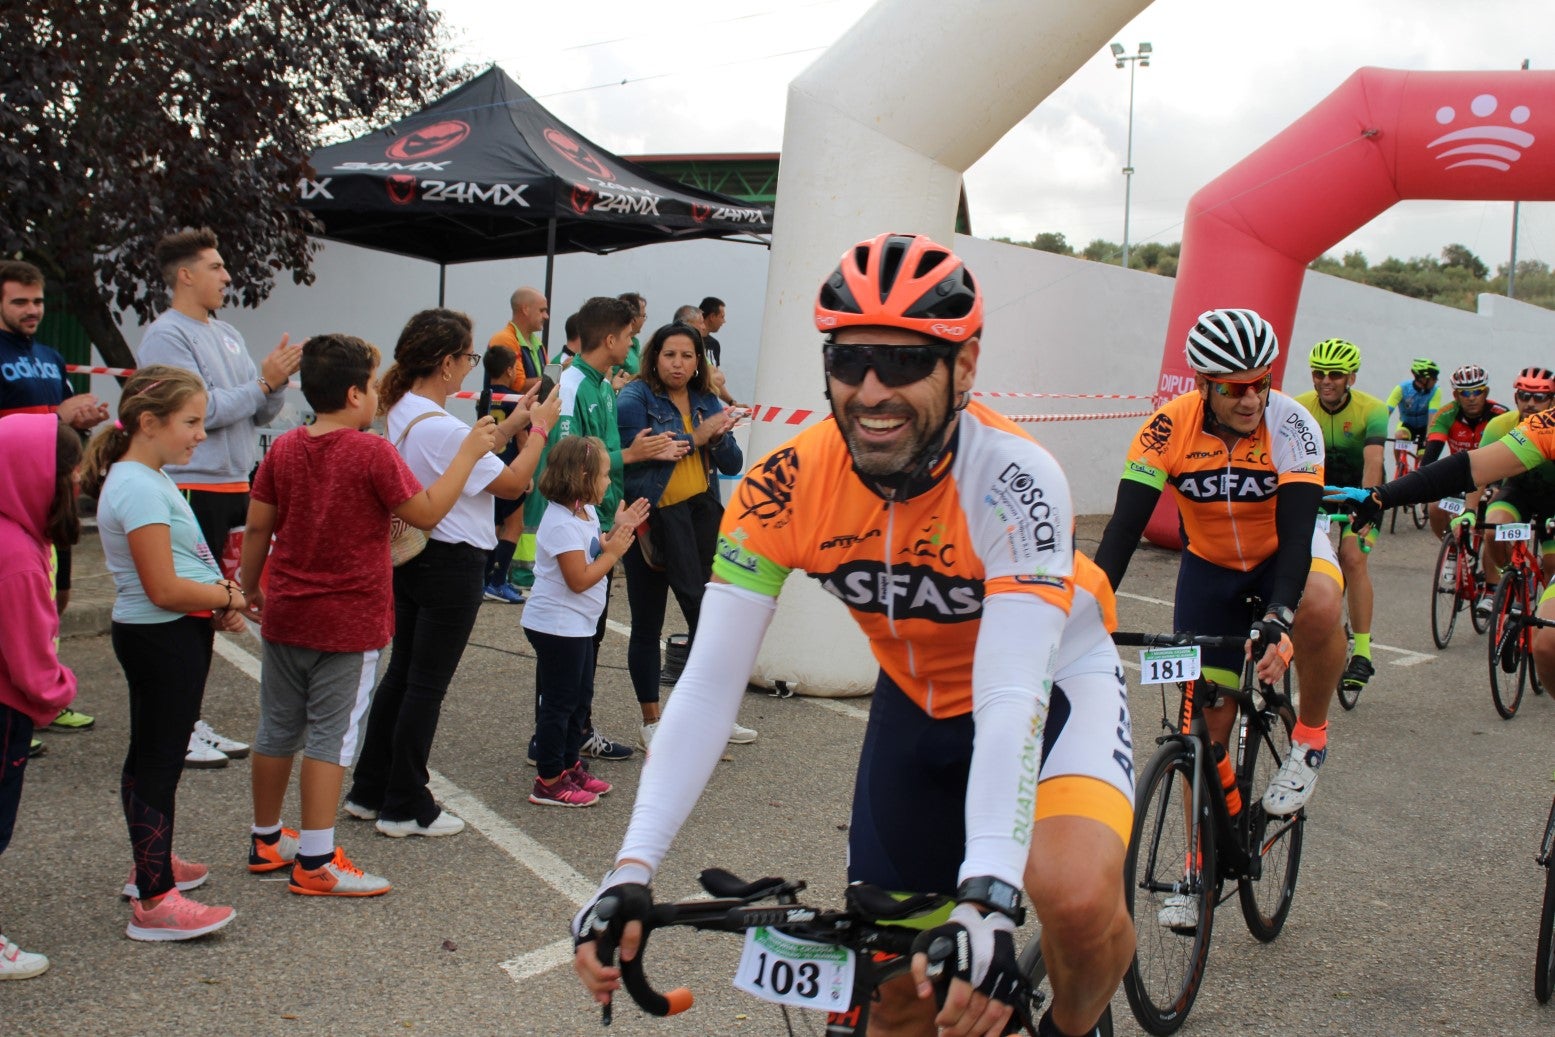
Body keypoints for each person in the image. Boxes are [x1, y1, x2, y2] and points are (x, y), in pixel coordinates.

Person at [575, 234, 1136, 1037]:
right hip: (916, 701)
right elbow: (706, 683)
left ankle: (1076, 1024)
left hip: (1051, 687)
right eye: (849, 358)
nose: (871, 389)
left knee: (1075, 899)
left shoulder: (1015, 478)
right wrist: (628, 867)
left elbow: (1011, 693)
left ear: (964, 365)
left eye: (904, 362)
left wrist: (985, 890)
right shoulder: (785, 483)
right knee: (894, 987)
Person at [239, 334, 498, 895]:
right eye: (376, 384)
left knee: (278, 727)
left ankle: (266, 840)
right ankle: (316, 860)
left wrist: (249, 585)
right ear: (357, 393)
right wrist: (468, 456)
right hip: (349, 619)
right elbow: (426, 513)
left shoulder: (284, 448)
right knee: (331, 738)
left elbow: (259, 525)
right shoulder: (372, 451)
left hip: (287, 610)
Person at [1094, 308, 1347, 834]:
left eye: (1260, 383)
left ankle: (1310, 740)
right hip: (1210, 568)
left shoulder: (1292, 424)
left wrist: (1280, 613)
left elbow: (1299, 534)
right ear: (1202, 385)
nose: (1251, 398)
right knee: (1204, 725)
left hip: (1284, 553)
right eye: (1233, 390)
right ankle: (1197, 869)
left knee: (1320, 604)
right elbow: (1123, 529)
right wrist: (1091, 606)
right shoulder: (1166, 428)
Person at [343, 309, 559, 838]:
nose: (470, 367)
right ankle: (405, 802)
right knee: (426, 686)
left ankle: (371, 789)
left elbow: (465, 459)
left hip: (418, 555)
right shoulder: (440, 426)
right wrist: (539, 435)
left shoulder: (405, 409)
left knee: (403, 676)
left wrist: (511, 424)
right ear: (445, 363)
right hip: (454, 560)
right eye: (467, 358)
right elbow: (509, 485)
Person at [82, 365, 242, 941]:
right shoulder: (138, 485)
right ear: (148, 423)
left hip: (170, 631)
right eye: (191, 422)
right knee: (157, 760)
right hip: (162, 633)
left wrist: (215, 599)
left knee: (156, 754)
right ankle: (154, 901)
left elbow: (183, 565)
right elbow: (164, 587)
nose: (201, 433)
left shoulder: (148, 474)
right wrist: (227, 595)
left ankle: (152, 861)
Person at [137, 227, 302, 768]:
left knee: (217, 604)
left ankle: (189, 717)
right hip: (195, 484)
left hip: (234, 483)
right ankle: (176, 722)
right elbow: (197, 412)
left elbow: (255, 413)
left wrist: (272, 386)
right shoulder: (168, 335)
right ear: (185, 275)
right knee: (191, 607)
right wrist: (260, 384)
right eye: (216, 267)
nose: (227, 277)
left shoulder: (227, 332)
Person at [531, 296, 686, 764]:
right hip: (578, 530)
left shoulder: (601, 384)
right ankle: (552, 742)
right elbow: (565, 463)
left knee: (587, 640)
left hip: (599, 525)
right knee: (567, 645)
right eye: (631, 336)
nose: (635, 344)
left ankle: (576, 730)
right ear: (613, 339)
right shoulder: (574, 384)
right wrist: (632, 457)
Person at [1329, 391, 1555, 693]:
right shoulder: (1547, 426)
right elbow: (1469, 468)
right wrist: (1384, 495)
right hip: (1525, 496)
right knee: (1546, 646)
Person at [617, 322, 745, 747]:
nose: (678, 363)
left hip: (700, 516)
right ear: (654, 357)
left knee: (709, 618)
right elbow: (636, 462)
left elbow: (730, 463)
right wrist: (699, 436)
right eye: (670, 354)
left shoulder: (706, 398)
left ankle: (715, 715)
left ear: (698, 362)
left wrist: (720, 436)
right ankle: (651, 721)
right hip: (653, 518)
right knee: (647, 622)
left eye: (687, 356)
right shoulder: (636, 397)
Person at [0, 261, 108, 742]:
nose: (32, 310)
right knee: (18, 597)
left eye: (37, 301)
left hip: (51, 500)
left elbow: (57, 428)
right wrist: (53, 414)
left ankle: (39, 689)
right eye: (19, 302)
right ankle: (19, 700)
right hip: (12, 498)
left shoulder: (50, 355)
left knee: (55, 595)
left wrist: (81, 419)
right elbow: (20, 434)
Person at [0, 415, 83, 976]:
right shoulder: (19, 559)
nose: (76, 483)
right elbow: (32, 667)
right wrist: (63, 689)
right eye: (70, 472)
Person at [525, 436, 650, 807]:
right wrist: (614, 553)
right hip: (556, 625)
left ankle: (569, 765)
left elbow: (595, 547)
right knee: (559, 704)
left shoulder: (585, 512)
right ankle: (548, 779)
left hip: (577, 624)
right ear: (582, 476)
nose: (609, 483)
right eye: (604, 476)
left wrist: (616, 531)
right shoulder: (560, 523)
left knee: (579, 700)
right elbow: (579, 579)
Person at [1293, 338, 1388, 696]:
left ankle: (1362, 651)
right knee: (1300, 557)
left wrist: (1365, 503)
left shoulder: (1373, 409)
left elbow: (1373, 460)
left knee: (1352, 557)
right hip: (1316, 493)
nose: (1325, 381)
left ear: (1351, 377)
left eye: (1335, 374)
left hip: (1362, 493)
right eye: (1319, 373)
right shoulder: (1300, 406)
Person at [1466, 367, 1555, 618]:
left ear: (1552, 401)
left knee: (1552, 564)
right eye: (1524, 396)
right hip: (1518, 493)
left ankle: (1545, 620)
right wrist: (1469, 511)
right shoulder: (1501, 425)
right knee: (1492, 531)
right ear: (1516, 398)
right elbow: (1477, 472)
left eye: (1539, 397)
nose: (1530, 403)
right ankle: (1514, 576)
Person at [1420, 364, 1507, 539]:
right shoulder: (1446, 415)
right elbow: (1431, 455)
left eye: (1478, 391)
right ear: (1456, 395)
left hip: (1493, 478)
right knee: (1435, 506)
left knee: (1494, 524)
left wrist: (1498, 486)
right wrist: (1422, 484)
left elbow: (1511, 455)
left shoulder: (1500, 415)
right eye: (1465, 393)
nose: (1472, 398)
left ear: (1486, 392)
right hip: (1462, 475)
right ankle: (1451, 548)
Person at [478, 346, 527, 605]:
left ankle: (487, 579)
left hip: (487, 466)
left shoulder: (483, 397)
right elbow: (522, 439)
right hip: (509, 469)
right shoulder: (517, 399)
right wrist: (527, 473)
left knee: (492, 525)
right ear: (509, 369)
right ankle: (496, 582)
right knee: (514, 525)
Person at [489, 286, 548, 392]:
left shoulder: (538, 343)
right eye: (542, 310)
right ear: (526, 309)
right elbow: (518, 385)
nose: (546, 316)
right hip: (507, 408)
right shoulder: (504, 339)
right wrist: (554, 379)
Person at [1385, 357, 1444, 448]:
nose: (1436, 380)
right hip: (1407, 425)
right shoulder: (1402, 389)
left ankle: (1420, 459)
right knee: (1400, 437)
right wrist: (1378, 432)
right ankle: (1399, 462)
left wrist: (1428, 437)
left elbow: (1432, 417)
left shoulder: (1435, 391)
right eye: (1434, 378)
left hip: (1425, 428)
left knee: (1424, 456)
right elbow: (1386, 412)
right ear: (1423, 379)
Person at [699, 295, 738, 407]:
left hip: (709, 406)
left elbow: (716, 383)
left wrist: (732, 402)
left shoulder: (714, 345)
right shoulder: (689, 344)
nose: (724, 321)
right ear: (712, 316)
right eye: (722, 317)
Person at [612, 293, 647, 389]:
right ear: (633, 318)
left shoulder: (635, 343)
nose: (644, 320)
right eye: (643, 316)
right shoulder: (615, 345)